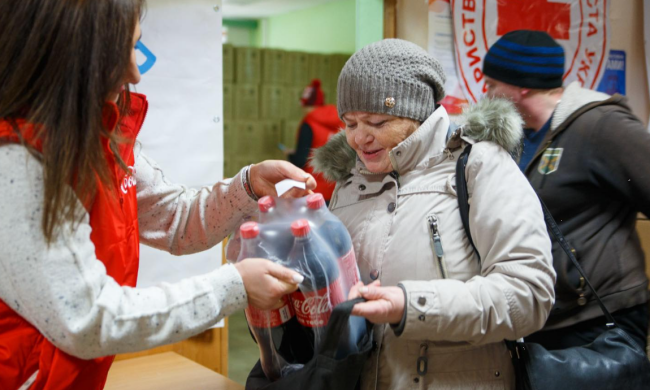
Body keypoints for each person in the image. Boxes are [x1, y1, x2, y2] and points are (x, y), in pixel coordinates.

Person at [0, 1, 316, 389]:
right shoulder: (16, 163)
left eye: (135, 46)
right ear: (70, 54)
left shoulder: (103, 136)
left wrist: (247, 186)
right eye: (120, 52)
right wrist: (233, 286)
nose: (135, 71)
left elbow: (176, 220)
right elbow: (87, 318)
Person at [311, 39, 556, 389]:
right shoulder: (351, 181)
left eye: (377, 121)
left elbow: (528, 295)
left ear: (417, 113)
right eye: (349, 123)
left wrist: (412, 305)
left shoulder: (479, 166)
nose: (359, 139)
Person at [483, 30, 650, 351]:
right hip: (541, 314)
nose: (486, 93)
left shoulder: (601, 125)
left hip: (600, 318)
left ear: (523, 85)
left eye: (492, 84)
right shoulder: (514, 136)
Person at [286, 79, 343, 202]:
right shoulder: (342, 122)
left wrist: (290, 155)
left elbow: (301, 160)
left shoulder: (309, 124)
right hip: (337, 190)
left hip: (313, 190)